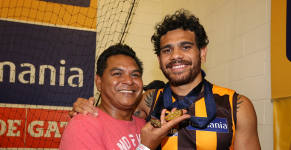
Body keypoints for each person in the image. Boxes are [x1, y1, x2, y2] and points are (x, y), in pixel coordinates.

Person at [70, 9, 261, 149]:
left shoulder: (237, 106)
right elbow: (111, 110)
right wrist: (82, 107)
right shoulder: (148, 101)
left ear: (202, 53)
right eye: (167, 50)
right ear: (159, 59)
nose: (175, 56)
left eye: (185, 47)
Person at [60, 43, 190, 150]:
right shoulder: (83, 126)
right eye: (117, 73)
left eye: (135, 75)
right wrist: (145, 147)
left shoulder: (143, 124)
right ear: (99, 82)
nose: (129, 81)